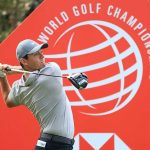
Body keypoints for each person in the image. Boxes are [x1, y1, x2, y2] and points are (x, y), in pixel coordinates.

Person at [0, 39, 75, 150]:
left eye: (41, 52)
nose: (42, 56)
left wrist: (2, 75)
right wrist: (10, 70)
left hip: (48, 143)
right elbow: (32, 71)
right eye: (36, 54)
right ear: (24, 61)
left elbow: (7, 100)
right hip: (55, 145)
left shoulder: (19, 88)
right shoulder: (52, 71)